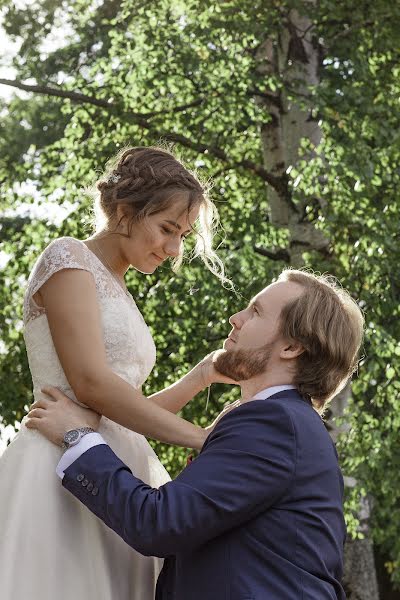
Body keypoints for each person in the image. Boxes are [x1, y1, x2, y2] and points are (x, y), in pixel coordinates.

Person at [27, 269, 364, 600]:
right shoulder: (286, 421)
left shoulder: (275, 422)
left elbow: (158, 523)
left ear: (291, 347)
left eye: (256, 311)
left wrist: (78, 436)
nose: (236, 317)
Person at [0, 146, 234, 600]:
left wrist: (199, 377)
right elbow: (92, 385)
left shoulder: (121, 288)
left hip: (119, 474)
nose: (174, 249)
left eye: (183, 235)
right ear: (124, 213)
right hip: (57, 469)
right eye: (167, 229)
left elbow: (125, 410)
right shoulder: (67, 259)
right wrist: (204, 438)